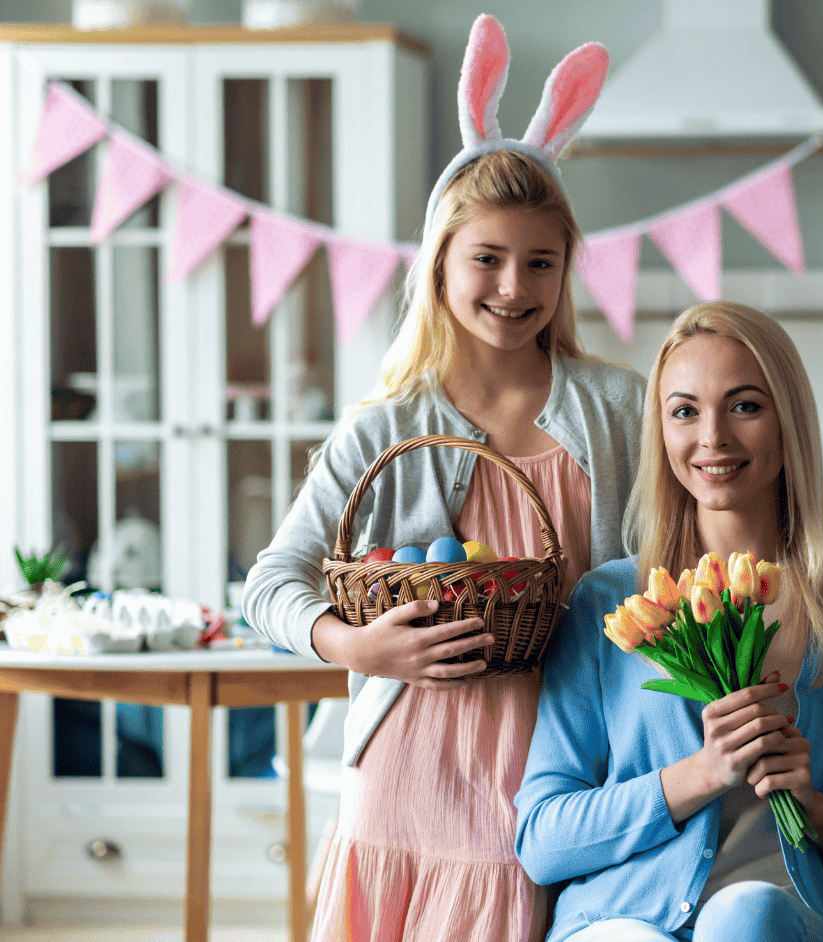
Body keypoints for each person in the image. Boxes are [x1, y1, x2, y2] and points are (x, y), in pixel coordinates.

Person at [240, 16, 644, 941]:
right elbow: (271, 583)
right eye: (487, 259)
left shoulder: (620, 409)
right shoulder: (385, 429)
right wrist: (356, 648)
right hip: (409, 773)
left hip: (563, 764)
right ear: (440, 265)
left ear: (566, 269)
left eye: (540, 261)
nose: (514, 286)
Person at [515, 301, 823, 942]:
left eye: (744, 405)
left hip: (790, 923)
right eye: (684, 410)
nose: (712, 437)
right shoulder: (609, 603)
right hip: (623, 921)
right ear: (661, 431)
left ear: (787, 421)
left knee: (746, 914)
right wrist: (702, 773)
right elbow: (541, 840)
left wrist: (814, 806)